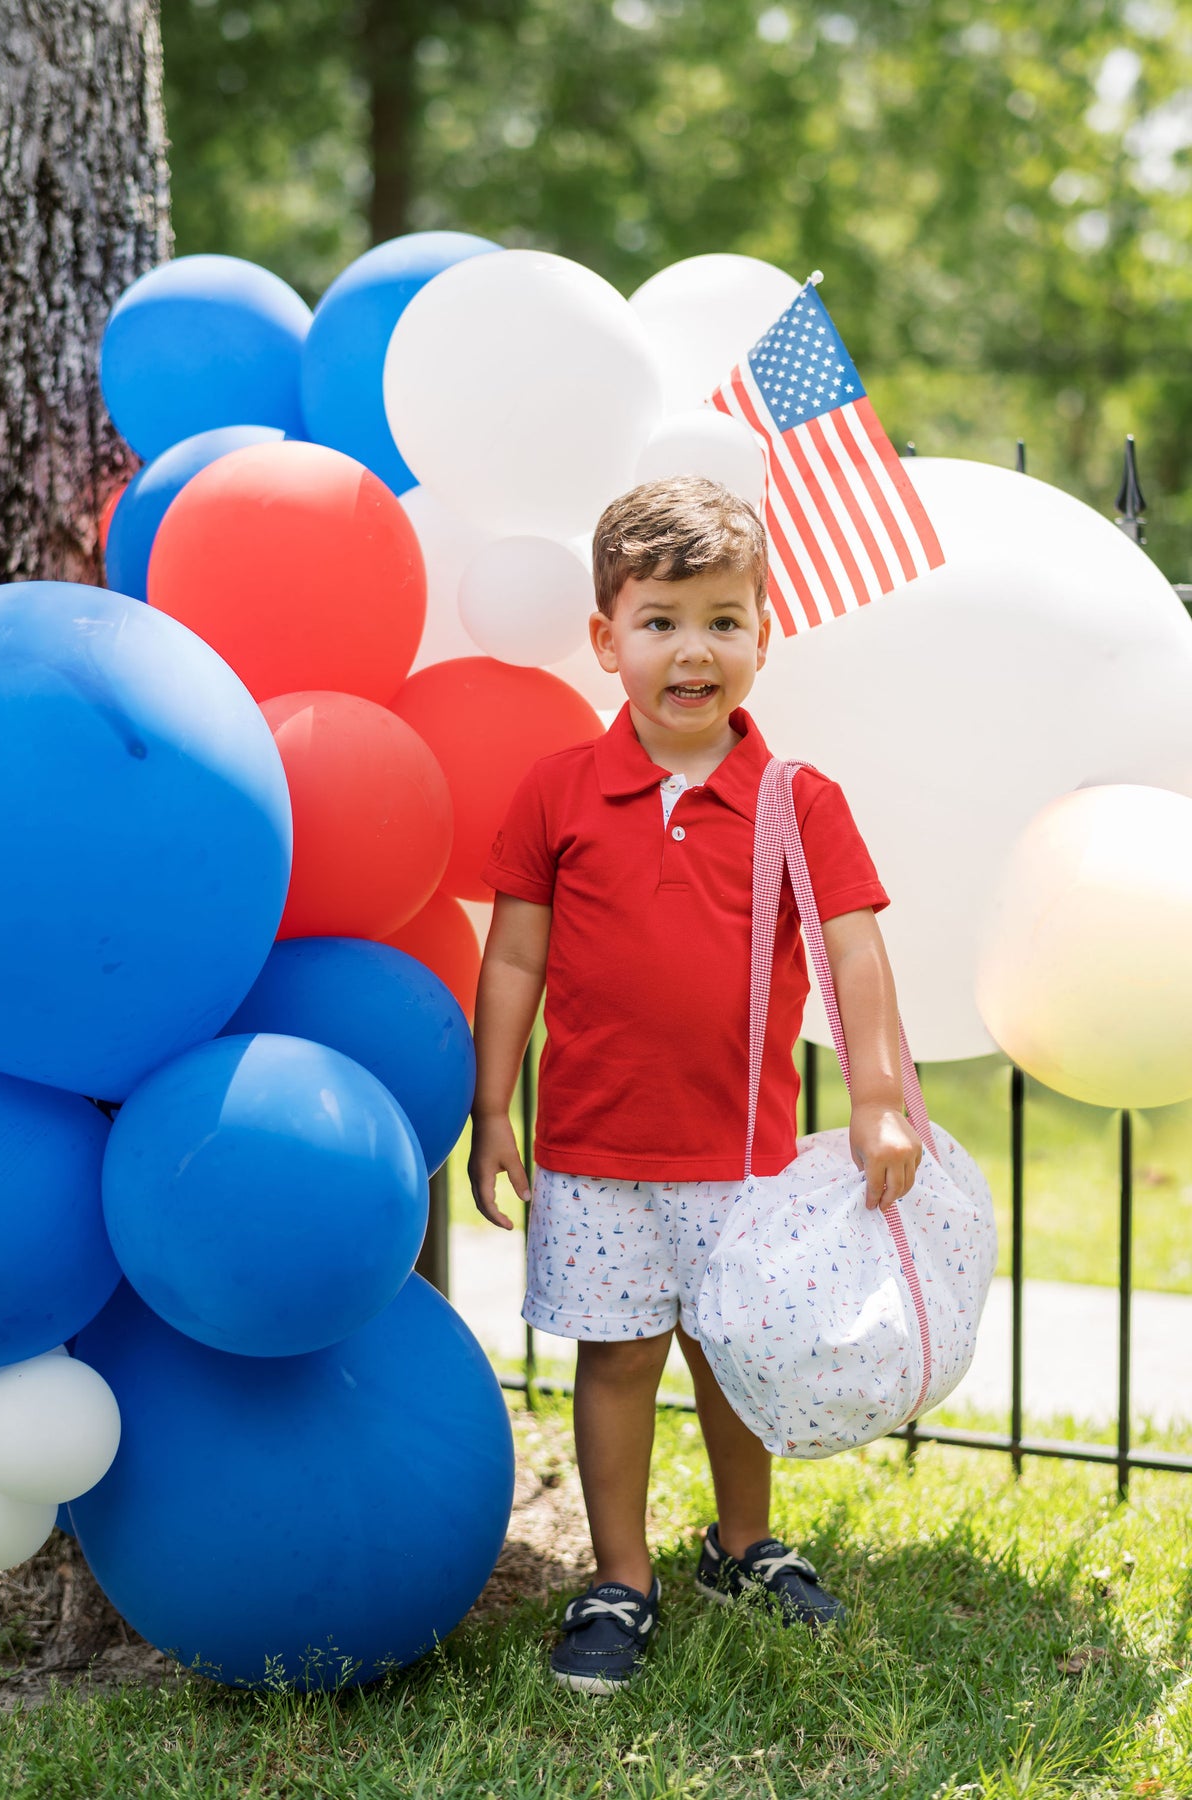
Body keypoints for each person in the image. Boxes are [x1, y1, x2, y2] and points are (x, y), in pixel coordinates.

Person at [468, 476, 922, 1695]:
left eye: (725, 620)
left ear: (764, 636)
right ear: (608, 638)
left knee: (738, 1358)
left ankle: (741, 1544)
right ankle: (622, 1576)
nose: (693, 649)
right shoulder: (557, 793)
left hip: (742, 1158)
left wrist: (877, 1091)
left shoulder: (796, 799)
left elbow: (854, 949)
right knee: (617, 1360)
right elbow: (515, 954)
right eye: (662, 619)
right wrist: (493, 1105)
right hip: (595, 1153)